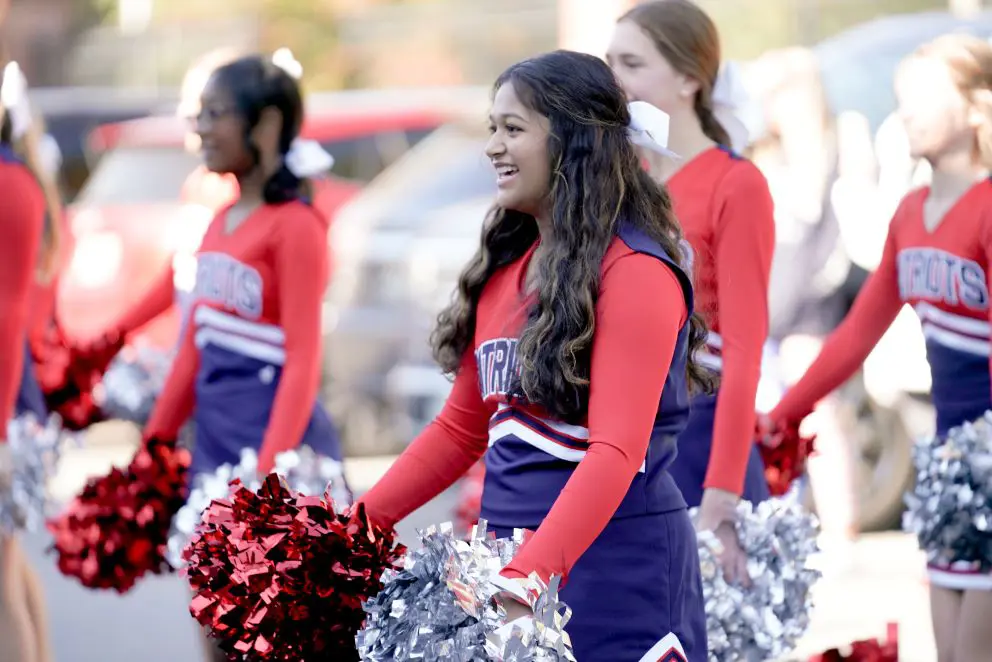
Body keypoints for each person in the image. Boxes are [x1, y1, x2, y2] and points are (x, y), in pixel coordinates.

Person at [357, 49, 711, 661]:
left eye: (513, 129)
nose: (493, 146)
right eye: (492, 128)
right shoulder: (504, 273)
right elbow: (457, 431)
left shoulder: (636, 272)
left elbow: (617, 451)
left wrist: (529, 577)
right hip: (505, 565)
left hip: (614, 570)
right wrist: (356, 527)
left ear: (573, 141)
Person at [763, 34, 992, 662]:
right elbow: (857, 335)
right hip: (950, 470)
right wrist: (785, 413)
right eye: (901, 101)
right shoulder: (910, 212)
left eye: (923, 100)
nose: (906, 115)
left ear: (977, 107)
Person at [139, 53, 348, 661]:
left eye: (216, 113)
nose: (200, 127)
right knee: (216, 627)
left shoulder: (297, 226)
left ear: (267, 125)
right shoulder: (218, 223)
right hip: (215, 455)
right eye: (198, 113)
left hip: (275, 456)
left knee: (280, 640)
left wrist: (268, 476)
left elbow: (304, 359)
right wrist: (153, 446)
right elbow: (191, 354)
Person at [605, 0, 775, 583]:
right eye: (609, 63)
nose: (614, 81)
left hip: (705, 444)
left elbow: (747, 348)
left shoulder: (737, 183)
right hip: (631, 446)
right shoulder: (626, 187)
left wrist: (724, 491)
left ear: (689, 79)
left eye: (631, 63)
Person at [0, 59, 48, 662]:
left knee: (1, 577)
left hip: (8, 407)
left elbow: (9, 317)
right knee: (9, 569)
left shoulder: (11, 183)